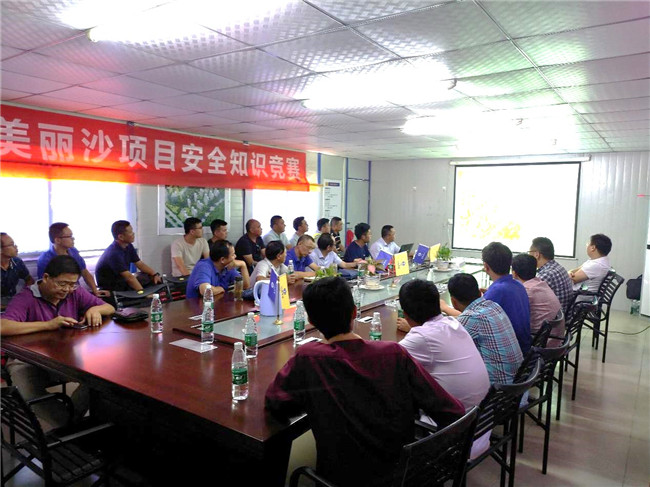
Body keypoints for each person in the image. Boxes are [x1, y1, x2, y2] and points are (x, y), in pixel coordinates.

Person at [265, 277, 464, 487]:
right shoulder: (394, 353)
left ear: (311, 321)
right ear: (354, 312)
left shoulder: (308, 358)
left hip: (341, 479)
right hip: (404, 476)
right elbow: (452, 412)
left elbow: (276, 403)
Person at [1, 255, 115, 427]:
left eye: (72, 284)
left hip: (66, 356)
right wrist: (48, 325)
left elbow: (109, 307)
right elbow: (3, 326)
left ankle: (71, 425)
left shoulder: (74, 293)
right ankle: (68, 427)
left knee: (103, 379)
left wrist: (96, 310)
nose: (67, 289)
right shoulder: (26, 297)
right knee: (30, 396)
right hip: (26, 360)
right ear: (46, 277)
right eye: (62, 284)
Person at [397, 279, 490, 411]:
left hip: (459, 420)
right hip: (484, 412)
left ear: (405, 314)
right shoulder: (453, 323)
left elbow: (388, 361)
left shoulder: (422, 337)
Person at [443, 273, 523, 385]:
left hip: (498, 389)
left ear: (454, 302)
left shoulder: (471, 318)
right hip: (518, 381)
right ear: (479, 292)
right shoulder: (493, 305)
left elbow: (444, 347)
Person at [480, 242, 531, 355]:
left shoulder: (497, 291)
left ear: (486, 266)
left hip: (510, 353)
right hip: (524, 348)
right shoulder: (518, 284)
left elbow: (472, 320)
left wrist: (445, 307)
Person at [37, 223, 105, 296]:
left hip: (75, 291)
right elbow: (44, 285)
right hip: (58, 294)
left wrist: (95, 291)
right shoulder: (45, 259)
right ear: (58, 240)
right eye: (70, 236)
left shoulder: (73, 251)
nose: (73, 239)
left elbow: (84, 272)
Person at [95, 220, 162, 292]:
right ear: (121, 237)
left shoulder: (128, 246)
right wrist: (143, 293)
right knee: (143, 287)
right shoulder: (113, 253)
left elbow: (140, 264)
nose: (133, 233)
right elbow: (129, 278)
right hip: (112, 287)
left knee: (149, 277)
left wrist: (154, 274)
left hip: (122, 281)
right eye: (130, 232)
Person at [512, 254, 562, 335]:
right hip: (554, 337)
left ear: (514, 273)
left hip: (542, 339)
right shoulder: (540, 283)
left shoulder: (527, 291)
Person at [185, 240, 250, 299]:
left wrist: (243, 265)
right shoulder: (203, 266)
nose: (235, 256)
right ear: (222, 259)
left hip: (218, 303)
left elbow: (245, 286)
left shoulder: (228, 266)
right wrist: (220, 289)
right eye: (233, 255)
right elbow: (205, 290)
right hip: (197, 306)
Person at [529, 237, 573, 315]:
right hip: (564, 315)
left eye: (529, 252)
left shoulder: (546, 275)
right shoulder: (557, 267)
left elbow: (528, 297)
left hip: (554, 319)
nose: (528, 255)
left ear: (536, 254)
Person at [1, 233, 34, 306]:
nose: (16, 247)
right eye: (11, 244)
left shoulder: (17, 261)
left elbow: (29, 279)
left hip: (13, 302)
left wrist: (25, 294)